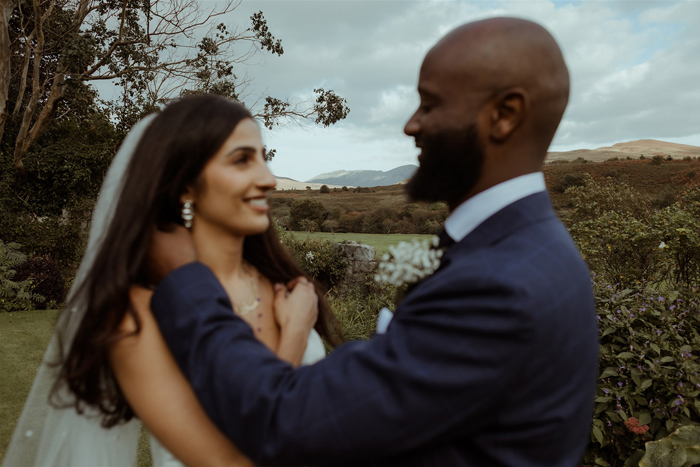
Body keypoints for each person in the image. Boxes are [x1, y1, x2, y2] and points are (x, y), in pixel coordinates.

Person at [147, 17, 599, 466]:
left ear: (504, 115)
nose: (410, 125)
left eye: (430, 104)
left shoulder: (495, 284)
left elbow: (289, 422)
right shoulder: (530, 250)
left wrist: (188, 280)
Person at [3, 95, 340, 466]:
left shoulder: (286, 286)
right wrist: (294, 333)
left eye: (264, 157)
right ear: (185, 186)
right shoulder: (135, 316)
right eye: (242, 159)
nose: (269, 179)